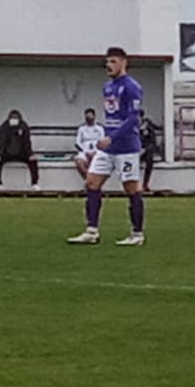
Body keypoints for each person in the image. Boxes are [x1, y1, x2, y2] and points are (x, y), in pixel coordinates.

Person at [67, 48, 146, 246]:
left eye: (113, 61)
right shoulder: (108, 87)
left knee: (131, 189)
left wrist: (113, 137)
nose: (108, 65)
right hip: (108, 148)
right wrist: (107, 138)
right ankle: (91, 231)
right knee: (92, 183)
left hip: (126, 148)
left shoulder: (131, 87)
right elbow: (112, 116)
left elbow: (133, 118)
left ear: (123, 63)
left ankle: (137, 234)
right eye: (107, 62)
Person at [0, 109, 40, 190]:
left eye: (16, 117)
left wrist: (30, 154)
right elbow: (1, 141)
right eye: (12, 117)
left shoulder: (24, 126)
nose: (14, 119)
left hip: (22, 153)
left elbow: (27, 141)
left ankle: (34, 183)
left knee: (33, 161)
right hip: (6, 153)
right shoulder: (4, 127)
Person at [73, 108, 101, 180]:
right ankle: (89, 180)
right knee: (79, 162)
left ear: (94, 116)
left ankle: (92, 183)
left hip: (97, 152)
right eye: (87, 117)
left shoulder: (100, 128)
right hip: (84, 151)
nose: (89, 119)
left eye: (90, 116)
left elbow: (102, 142)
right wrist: (86, 152)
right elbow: (77, 142)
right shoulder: (81, 129)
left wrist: (95, 152)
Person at [138, 110, 162, 190]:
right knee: (133, 164)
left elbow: (156, 131)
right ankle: (134, 185)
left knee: (149, 160)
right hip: (137, 150)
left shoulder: (148, 124)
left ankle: (145, 184)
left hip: (148, 148)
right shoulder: (132, 126)